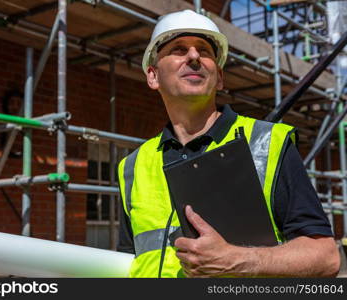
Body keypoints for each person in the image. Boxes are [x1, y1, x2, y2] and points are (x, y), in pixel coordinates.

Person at [116, 9, 340, 278]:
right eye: (178, 49)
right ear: (153, 75)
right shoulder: (132, 167)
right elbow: (128, 261)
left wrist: (242, 261)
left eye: (205, 50)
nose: (194, 56)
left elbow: (326, 257)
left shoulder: (267, 143)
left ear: (219, 77)